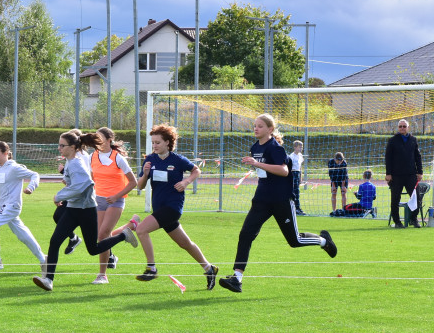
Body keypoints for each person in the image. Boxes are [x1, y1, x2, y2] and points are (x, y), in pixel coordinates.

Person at [218, 114, 337, 293]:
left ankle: (323, 241)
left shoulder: (275, 148)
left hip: (281, 200)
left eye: (260, 126)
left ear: (270, 129)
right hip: (261, 200)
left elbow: (283, 171)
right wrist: (256, 164)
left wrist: (258, 164)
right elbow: (264, 172)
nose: (255, 128)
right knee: (245, 234)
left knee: (294, 241)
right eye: (254, 125)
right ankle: (237, 278)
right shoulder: (254, 147)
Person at [33, 131, 138, 292]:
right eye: (59, 145)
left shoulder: (75, 163)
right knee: (55, 242)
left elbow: (86, 184)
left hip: (86, 211)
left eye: (62, 145)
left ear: (73, 147)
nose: (59, 148)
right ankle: (48, 280)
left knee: (93, 249)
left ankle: (124, 235)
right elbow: (75, 184)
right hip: (72, 209)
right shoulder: (70, 162)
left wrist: (59, 195)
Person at [133, 124, 218, 290]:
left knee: (141, 230)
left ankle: (151, 268)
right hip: (159, 209)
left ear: (167, 142)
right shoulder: (150, 160)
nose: (155, 146)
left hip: (172, 208)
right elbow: (140, 186)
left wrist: (186, 182)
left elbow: (196, 170)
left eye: (158, 142)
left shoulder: (177, 160)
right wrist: (145, 173)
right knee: (185, 244)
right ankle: (209, 269)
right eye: (153, 143)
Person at [0, 141, 45, 273]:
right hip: (2, 208)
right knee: (23, 235)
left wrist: (31, 187)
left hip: (12, 206)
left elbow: (35, 175)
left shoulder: (14, 168)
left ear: (5, 154)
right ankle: (44, 259)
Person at [89, 126, 137, 284]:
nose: (98, 142)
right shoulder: (92, 156)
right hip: (98, 200)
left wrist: (116, 196)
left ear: (109, 140)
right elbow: (92, 179)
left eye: (100, 139)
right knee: (102, 235)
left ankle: (102, 275)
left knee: (103, 234)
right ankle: (130, 227)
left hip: (116, 201)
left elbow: (133, 182)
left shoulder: (118, 158)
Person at [385, 119, 424, 228]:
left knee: (416, 197)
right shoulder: (392, 140)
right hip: (396, 175)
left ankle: (413, 219)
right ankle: (397, 221)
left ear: (408, 127)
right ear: (398, 128)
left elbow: (418, 157)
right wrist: (388, 173)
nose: (402, 128)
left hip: (411, 174)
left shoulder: (413, 140)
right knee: (395, 199)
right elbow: (388, 158)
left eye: (404, 126)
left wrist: (420, 172)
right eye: (400, 126)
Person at [289, 140, 306, 215]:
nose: (301, 148)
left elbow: (300, 167)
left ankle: (297, 208)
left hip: (297, 173)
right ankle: (294, 208)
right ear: (295, 147)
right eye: (299, 147)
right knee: (293, 192)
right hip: (292, 173)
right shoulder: (291, 156)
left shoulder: (300, 156)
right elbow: (289, 167)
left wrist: (300, 177)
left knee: (297, 192)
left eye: (302, 147)